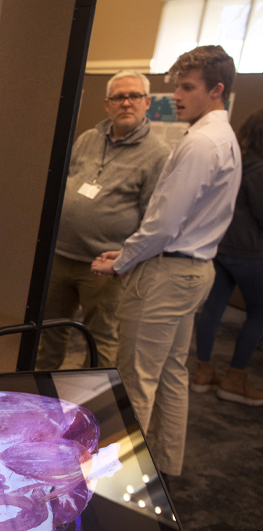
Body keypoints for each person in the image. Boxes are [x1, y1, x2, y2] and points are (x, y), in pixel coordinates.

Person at [92, 46, 242, 479]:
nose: (175, 94)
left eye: (187, 87)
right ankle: (164, 466)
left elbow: (163, 223)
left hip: (168, 273)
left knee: (136, 380)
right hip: (193, 270)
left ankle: (117, 483)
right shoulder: (222, 136)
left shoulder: (199, 143)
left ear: (217, 90)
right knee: (173, 373)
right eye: (176, 85)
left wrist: (122, 261)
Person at [37, 71, 169, 369]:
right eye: (118, 97)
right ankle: (41, 397)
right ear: (107, 104)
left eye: (134, 96)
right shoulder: (89, 138)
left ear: (147, 102)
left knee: (100, 341)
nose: (126, 103)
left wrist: (127, 259)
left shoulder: (158, 154)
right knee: (49, 332)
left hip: (106, 265)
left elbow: (153, 217)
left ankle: (93, 407)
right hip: (61, 255)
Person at [193, 108, 263, 406]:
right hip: (252, 255)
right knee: (259, 315)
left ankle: (203, 373)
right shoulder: (260, 170)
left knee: (212, 310)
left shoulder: (236, 160)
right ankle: (235, 379)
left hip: (220, 249)